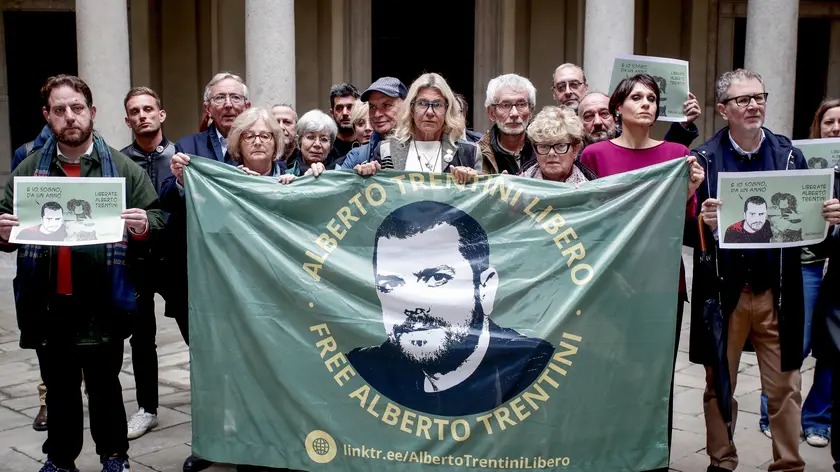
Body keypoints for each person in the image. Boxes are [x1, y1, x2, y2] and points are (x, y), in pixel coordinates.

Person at [0, 74, 164, 472]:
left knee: (106, 386)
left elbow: (157, 217)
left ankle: (114, 456)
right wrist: (3, 232)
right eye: (59, 110)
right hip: (48, 301)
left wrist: (144, 225)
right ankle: (60, 458)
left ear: (92, 112)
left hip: (103, 301)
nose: (69, 116)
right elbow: (6, 220)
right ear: (47, 116)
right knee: (59, 389)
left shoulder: (121, 168)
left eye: (77, 108)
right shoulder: (29, 171)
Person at [689, 68, 815, 472]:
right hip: (723, 293)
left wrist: (827, 220)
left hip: (776, 292)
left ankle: (789, 464)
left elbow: (810, 230)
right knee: (718, 384)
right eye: (743, 99)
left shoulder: (790, 156)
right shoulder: (703, 160)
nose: (754, 105)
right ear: (723, 109)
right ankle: (722, 461)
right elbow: (684, 230)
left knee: (786, 385)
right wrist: (703, 222)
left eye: (759, 97)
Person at [580, 73, 704, 472]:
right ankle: (605, 454)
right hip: (610, 282)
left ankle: (654, 459)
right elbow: (587, 219)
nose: (646, 103)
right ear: (618, 108)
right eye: (636, 97)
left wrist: (690, 190)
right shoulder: (595, 155)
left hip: (662, 283)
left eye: (651, 98)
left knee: (656, 377)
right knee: (607, 372)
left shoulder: (675, 154)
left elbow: (683, 221)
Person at [346, 200, 554, 416]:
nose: (412, 304)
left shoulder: (535, 368)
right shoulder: (363, 372)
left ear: (485, 289)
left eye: (436, 278)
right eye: (391, 283)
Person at [758, 97, 840, 446]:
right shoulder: (796, 158)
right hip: (806, 263)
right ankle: (773, 413)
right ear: (818, 128)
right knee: (795, 342)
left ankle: (817, 420)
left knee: (834, 347)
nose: (835, 128)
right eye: (829, 122)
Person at [359, 72, 480, 181]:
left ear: (447, 110)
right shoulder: (386, 149)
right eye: (422, 103)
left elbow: (480, 196)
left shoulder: (469, 152)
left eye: (437, 104)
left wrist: (473, 181)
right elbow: (376, 194)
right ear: (411, 109)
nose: (430, 112)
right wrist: (364, 176)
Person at [577, 90, 702, 149]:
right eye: (588, 116)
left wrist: (683, 124)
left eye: (604, 114)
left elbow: (661, 160)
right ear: (579, 123)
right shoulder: (570, 158)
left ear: (615, 117)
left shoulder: (635, 146)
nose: (597, 122)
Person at [175, 72, 251, 164]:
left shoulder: (260, 145)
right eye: (220, 98)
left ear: (247, 107)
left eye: (235, 97)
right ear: (208, 109)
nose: (228, 104)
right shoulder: (188, 147)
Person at [338, 77, 407, 170]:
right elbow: (339, 179)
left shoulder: (421, 146)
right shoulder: (357, 156)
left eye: (386, 105)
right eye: (372, 106)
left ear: (406, 106)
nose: (377, 114)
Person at [478, 74, 536, 174]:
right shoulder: (476, 153)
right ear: (492, 113)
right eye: (505, 105)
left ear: (531, 111)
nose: (514, 114)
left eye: (521, 104)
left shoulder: (545, 148)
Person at [520, 106, 595, 184]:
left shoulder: (592, 187)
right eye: (544, 146)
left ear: (575, 149)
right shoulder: (517, 186)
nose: (551, 153)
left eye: (560, 145)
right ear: (535, 150)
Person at [228, 108, 287, 177]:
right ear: (238, 145)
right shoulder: (227, 179)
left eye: (264, 136)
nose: (257, 142)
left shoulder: (290, 178)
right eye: (249, 136)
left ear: (276, 144)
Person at [285, 110, 338, 177]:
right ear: (299, 141)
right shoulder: (285, 171)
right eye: (310, 137)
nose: (317, 144)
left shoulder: (340, 171)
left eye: (324, 139)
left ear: (331, 145)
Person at [328, 83, 361, 158]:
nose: (345, 113)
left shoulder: (368, 141)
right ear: (332, 113)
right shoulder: (326, 145)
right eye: (339, 108)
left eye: (350, 107)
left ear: (359, 110)